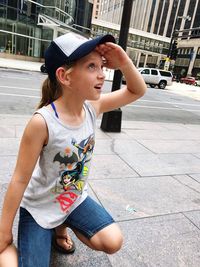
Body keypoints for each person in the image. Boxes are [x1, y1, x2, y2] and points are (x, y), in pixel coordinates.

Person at [0, 32, 147, 267]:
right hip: (40, 208)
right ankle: (19, 244)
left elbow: (136, 90)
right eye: (91, 66)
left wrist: (125, 63)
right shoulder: (43, 122)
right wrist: (4, 231)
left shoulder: (92, 107)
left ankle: (61, 227)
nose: (102, 74)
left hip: (73, 200)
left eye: (102, 66)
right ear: (64, 76)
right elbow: (19, 179)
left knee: (113, 241)